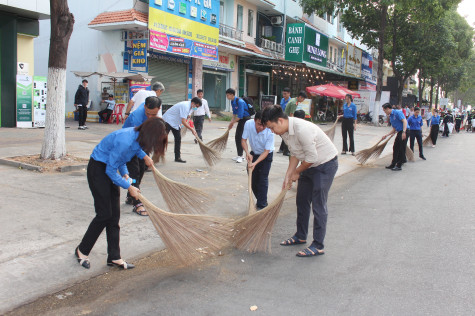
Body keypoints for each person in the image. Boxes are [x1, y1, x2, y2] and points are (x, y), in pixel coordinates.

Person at [75, 117, 168, 270]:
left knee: (114, 216)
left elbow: (125, 157)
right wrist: (129, 187)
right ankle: (82, 250)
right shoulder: (125, 139)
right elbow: (111, 169)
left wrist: (137, 164)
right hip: (98, 169)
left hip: (109, 168)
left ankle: (114, 257)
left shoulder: (137, 138)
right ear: (150, 135)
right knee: (104, 214)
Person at [261, 105, 338, 258]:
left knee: (318, 204)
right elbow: (295, 153)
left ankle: (318, 245)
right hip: (308, 164)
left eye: (272, 127)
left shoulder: (302, 130)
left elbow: (312, 158)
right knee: (302, 200)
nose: (272, 131)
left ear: (281, 121)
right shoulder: (284, 131)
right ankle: (300, 235)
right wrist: (288, 175)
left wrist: (297, 172)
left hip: (325, 164)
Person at [123, 96, 162, 216]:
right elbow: (134, 142)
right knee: (134, 171)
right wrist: (145, 156)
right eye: (148, 113)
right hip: (128, 143)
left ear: (159, 109)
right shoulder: (136, 118)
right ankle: (137, 203)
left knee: (141, 171)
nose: (150, 117)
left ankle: (131, 195)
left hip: (142, 142)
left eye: (153, 114)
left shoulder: (156, 112)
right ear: (144, 107)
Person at [241, 110, 275, 210]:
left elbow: (266, 151)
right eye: (259, 124)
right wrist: (247, 153)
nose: (261, 128)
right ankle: (261, 199)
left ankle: (262, 205)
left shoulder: (270, 131)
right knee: (252, 179)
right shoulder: (248, 124)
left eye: (263, 126)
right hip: (254, 153)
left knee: (262, 180)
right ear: (254, 120)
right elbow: (243, 140)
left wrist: (255, 163)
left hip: (266, 155)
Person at [162, 97, 200, 163]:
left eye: (198, 107)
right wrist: (192, 129)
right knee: (163, 139)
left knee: (178, 138)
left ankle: (177, 157)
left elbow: (188, 114)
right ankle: (157, 156)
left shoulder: (191, 107)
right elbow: (183, 121)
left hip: (175, 123)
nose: (196, 108)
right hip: (167, 121)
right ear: (193, 103)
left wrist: (188, 115)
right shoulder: (185, 106)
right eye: (196, 106)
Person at [226, 88, 251, 163]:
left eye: (228, 95)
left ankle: (241, 156)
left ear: (232, 95)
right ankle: (240, 155)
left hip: (245, 120)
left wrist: (232, 123)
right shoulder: (232, 101)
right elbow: (234, 113)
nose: (227, 97)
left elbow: (240, 116)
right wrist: (231, 121)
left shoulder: (240, 101)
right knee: (238, 137)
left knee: (239, 137)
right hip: (241, 120)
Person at [382, 103, 408, 171]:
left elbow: (404, 121)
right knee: (395, 147)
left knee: (401, 148)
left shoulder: (397, 112)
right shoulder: (390, 117)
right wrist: (386, 135)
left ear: (388, 109)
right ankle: (393, 164)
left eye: (384, 110)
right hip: (399, 131)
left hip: (405, 131)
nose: (384, 112)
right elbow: (394, 129)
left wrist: (404, 132)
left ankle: (399, 165)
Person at [277, 88, 291, 154]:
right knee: (282, 133)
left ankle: (284, 149)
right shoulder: (282, 100)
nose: (284, 95)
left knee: (284, 133)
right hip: (281, 118)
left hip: (287, 119)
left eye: (285, 94)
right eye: (283, 94)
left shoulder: (290, 101)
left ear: (289, 93)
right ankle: (282, 149)